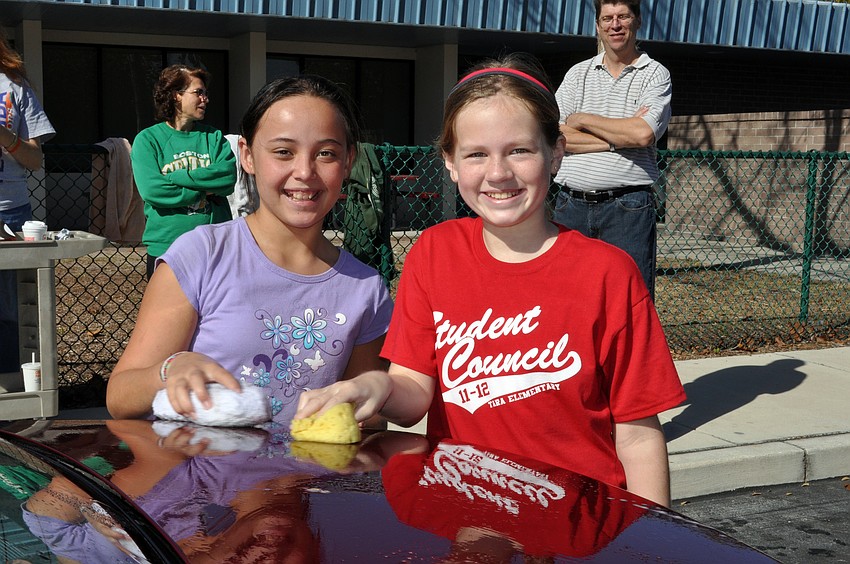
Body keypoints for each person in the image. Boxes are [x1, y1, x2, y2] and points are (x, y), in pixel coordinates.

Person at [295, 53, 685, 507]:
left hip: (578, 529)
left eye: (519, 150)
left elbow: (639, 437)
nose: (498, 173)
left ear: (555, 152)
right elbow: (413, 393)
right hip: (466, 523)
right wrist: (373, 386)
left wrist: (652, 545)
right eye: (476, 154)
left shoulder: (608, 272)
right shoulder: (433, 254)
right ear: (450, 162)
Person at [107, 75, 393, 424]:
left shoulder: (366, 288)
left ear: (348, 161)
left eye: (326, 154)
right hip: (200, 477)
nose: (304, 172)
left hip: (309, 479)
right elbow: (120, 396)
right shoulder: (201, 255)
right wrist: (170, 369)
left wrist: (367, 413)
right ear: (247, 155)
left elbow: (366, 416)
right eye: (283, 152)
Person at [552, 0, 672, 298]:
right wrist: (618, 136)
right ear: (598, 25)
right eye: (607, 18)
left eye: (623, 17)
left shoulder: (655, 74)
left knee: (629, 299)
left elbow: (643, 134)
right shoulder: (577, 75)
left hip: (627, 210)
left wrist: (581, 119)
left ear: (638, 21)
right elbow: (551, 134)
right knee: (568, 298)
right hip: (571, 207)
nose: (615, 25)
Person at [131, 64, 237, 279]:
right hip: (168, 247)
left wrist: (175, 178)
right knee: (169, 312)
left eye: (206, 94)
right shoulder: (148, 140)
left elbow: (227, 178)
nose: (205, 99)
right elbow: (153, 191)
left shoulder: (213, 137)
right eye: (198, 92)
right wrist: (204, 191)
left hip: (215, 245)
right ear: (176, 95)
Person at [0, 30, 56, 373]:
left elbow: (35, 160)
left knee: (10, 311)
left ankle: (9, 400)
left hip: (11, 213)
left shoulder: (15, 85)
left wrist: (4, 135)